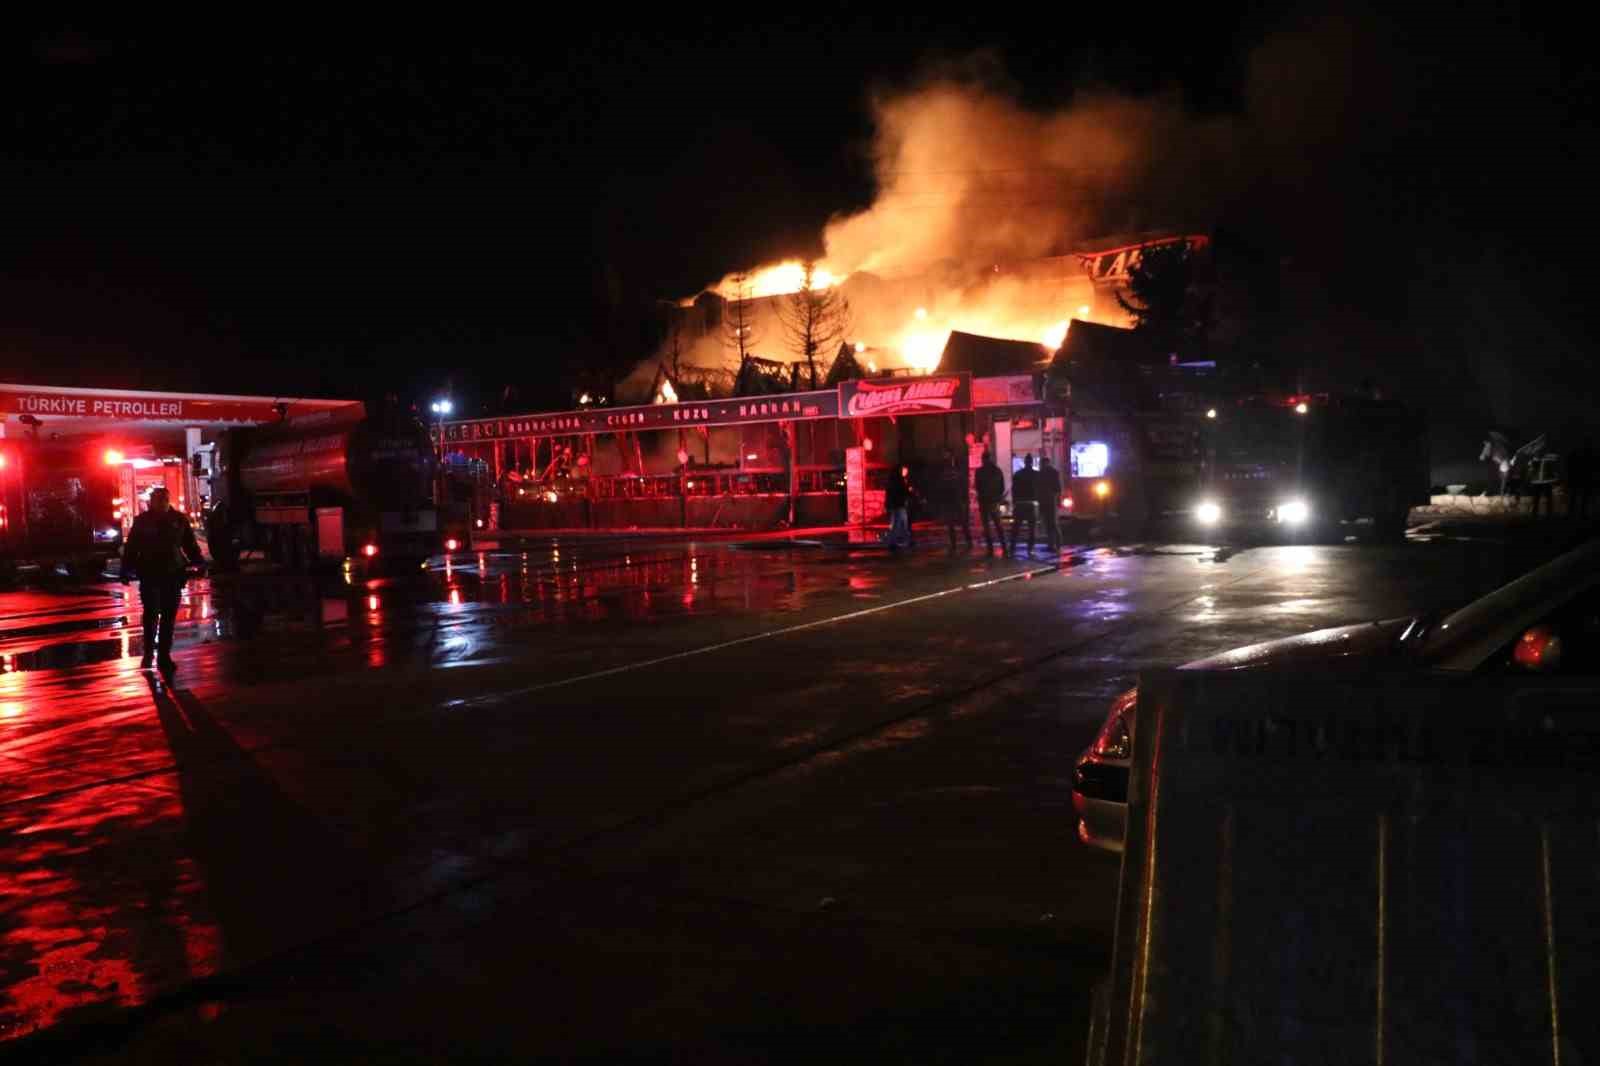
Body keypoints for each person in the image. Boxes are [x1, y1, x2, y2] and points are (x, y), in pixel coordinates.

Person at [121, 487, 205, 672]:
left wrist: (199, 562)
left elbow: (189, 544)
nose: (161, 502)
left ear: (168, 500)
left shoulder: (178, 520)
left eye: (164, 499)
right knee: (151, 614)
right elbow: (132, 546)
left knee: (168, 616)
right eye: (157, 499)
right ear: (152, 501)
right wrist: (126, 568)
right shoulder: (143, 521)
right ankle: (149, 653)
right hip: (150, 572)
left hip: (173, 573)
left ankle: (164, 656)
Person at [937, 447, 973, 551]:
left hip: (954, 500)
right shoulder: (950, 471)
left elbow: (958, 485)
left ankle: (960, 543)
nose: (945, 457)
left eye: (946, 455)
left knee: (956, 523)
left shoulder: (951, 471)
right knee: (955, 523)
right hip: (953, 500)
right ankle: (962, 542)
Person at [975, 451, 1007, 555]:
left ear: (983, 459)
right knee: (998, 525)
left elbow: (977, 487)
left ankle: (990, 549)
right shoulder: (997, 471)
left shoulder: (979, 471)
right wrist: (998, 497)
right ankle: (1004, 547)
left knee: (986, 526)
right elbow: (1002, 487)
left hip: (984, 502)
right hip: (994, 502)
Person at [1009, 454, 1038, 555]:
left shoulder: (1018, 474)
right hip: (1031, 504)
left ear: (1025, 462)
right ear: (1032, 462)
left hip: (1020, 504)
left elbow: (1014, 489)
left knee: (1016, 528)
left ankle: (1012, 548)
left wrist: (1014, 502)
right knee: (1032, 529)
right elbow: (1039, 490)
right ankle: (1030, 549)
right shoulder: (1036, 474)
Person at [1036, 455, 1063, 553]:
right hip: (1051, 501)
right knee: (1053, 524)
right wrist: (1058, 501)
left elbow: (1038, 488)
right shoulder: (1054, 472)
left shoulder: (1041, 473)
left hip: (1046, 502)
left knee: (1049, 524)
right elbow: (1058, 488)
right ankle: (1057, 545)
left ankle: (1052, 545)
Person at [885, 465, 914, 550]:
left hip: (895, 505)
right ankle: (895, 542)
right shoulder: (899, 480)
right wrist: (910, 492)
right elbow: (904, 491)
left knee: (898, 523)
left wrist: (887, 504)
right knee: (900, 524)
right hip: (899, 505)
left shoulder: (891, 481)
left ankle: (904, 540)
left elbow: (888, 494)